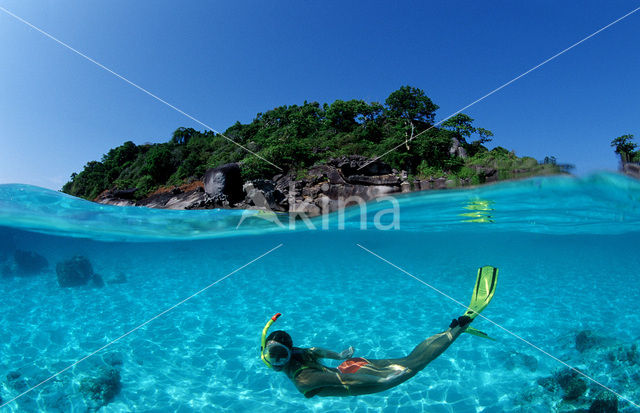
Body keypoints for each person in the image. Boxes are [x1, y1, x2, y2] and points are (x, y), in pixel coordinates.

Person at [260, 266, 498, 398]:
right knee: (409, 358)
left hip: (358, 378)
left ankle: (459, 328)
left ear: (289, 351)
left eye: (280, 354)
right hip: (351, 364)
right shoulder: (301, 353)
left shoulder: (303, 379)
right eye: (274, 356)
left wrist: (384, 379)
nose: (278, 361)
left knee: (416, 364)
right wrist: (341, 357)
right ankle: (452, 328)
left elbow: (345, 380)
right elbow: (317, 350)